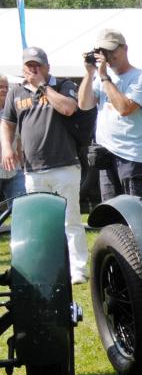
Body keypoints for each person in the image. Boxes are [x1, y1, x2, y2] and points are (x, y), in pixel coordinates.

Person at [3, 46, 88, 281]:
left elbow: (69, 108)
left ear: (47, 67)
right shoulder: (16, 92)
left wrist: (43, 86)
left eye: (38, 65)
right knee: (42, 224)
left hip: (64, 165)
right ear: (23, 68)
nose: (34, 69)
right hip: (33, 169)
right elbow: (7, 121)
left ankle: (78, 269)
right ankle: (49, 270)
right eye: (29, 65)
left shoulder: (63, 85)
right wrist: (7, 147)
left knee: (71, 219)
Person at [76, 29, 142, 202]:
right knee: (112, 213)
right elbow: (84, 104)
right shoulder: (101, 78)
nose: (108, 56)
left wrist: (104, 77)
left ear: (125, 49)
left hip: (133, 157)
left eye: (112, 50)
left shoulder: (140, 78)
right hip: (106, 155)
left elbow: (124, 109)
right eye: (103, 52)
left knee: (137, 215)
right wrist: (90, 74)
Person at [0, 75, 23, 205]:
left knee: (21, 206)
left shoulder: (13, 111)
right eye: (0, 87)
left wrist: (22, 162)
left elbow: (18, 139)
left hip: (14, 168)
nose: (4, 90)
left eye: (6, 87)